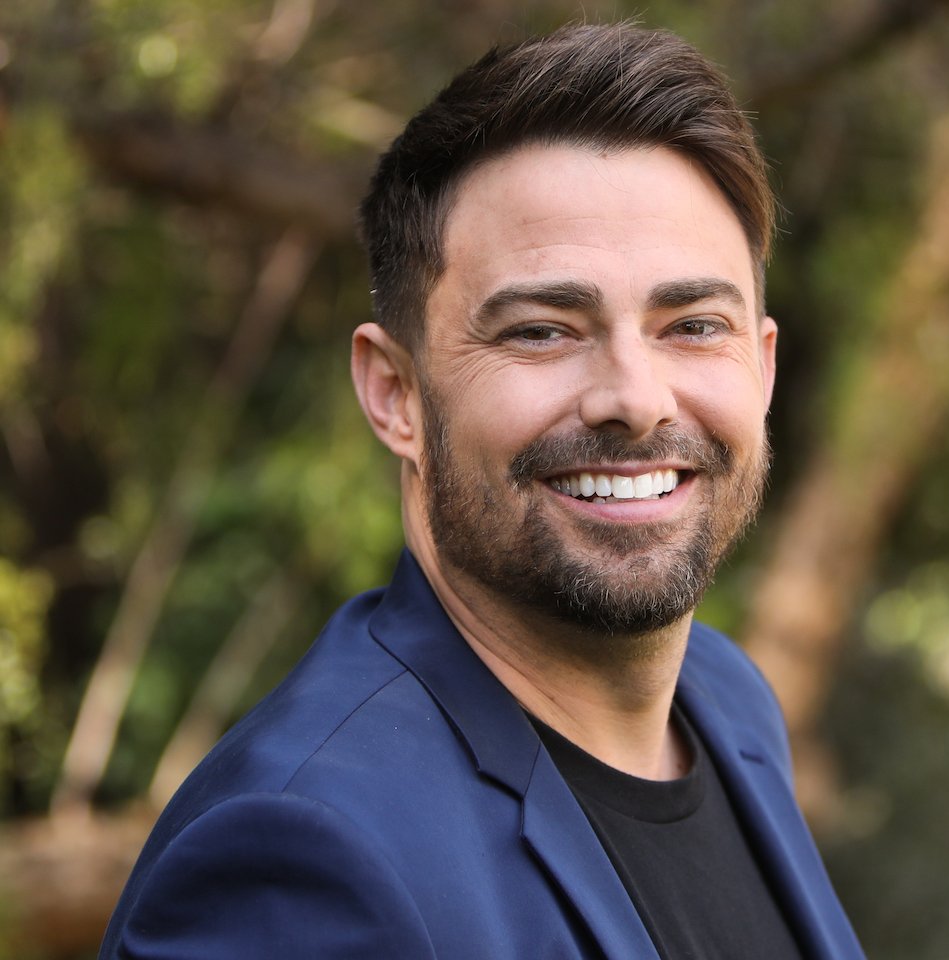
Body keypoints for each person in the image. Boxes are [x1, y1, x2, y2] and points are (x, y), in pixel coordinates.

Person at [100, 23, 865, 960]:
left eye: (694, 325)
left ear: (764, 364)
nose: (634, 397)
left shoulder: (728, 704)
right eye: (542, 331)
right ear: (397, 395)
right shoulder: (302, 856)